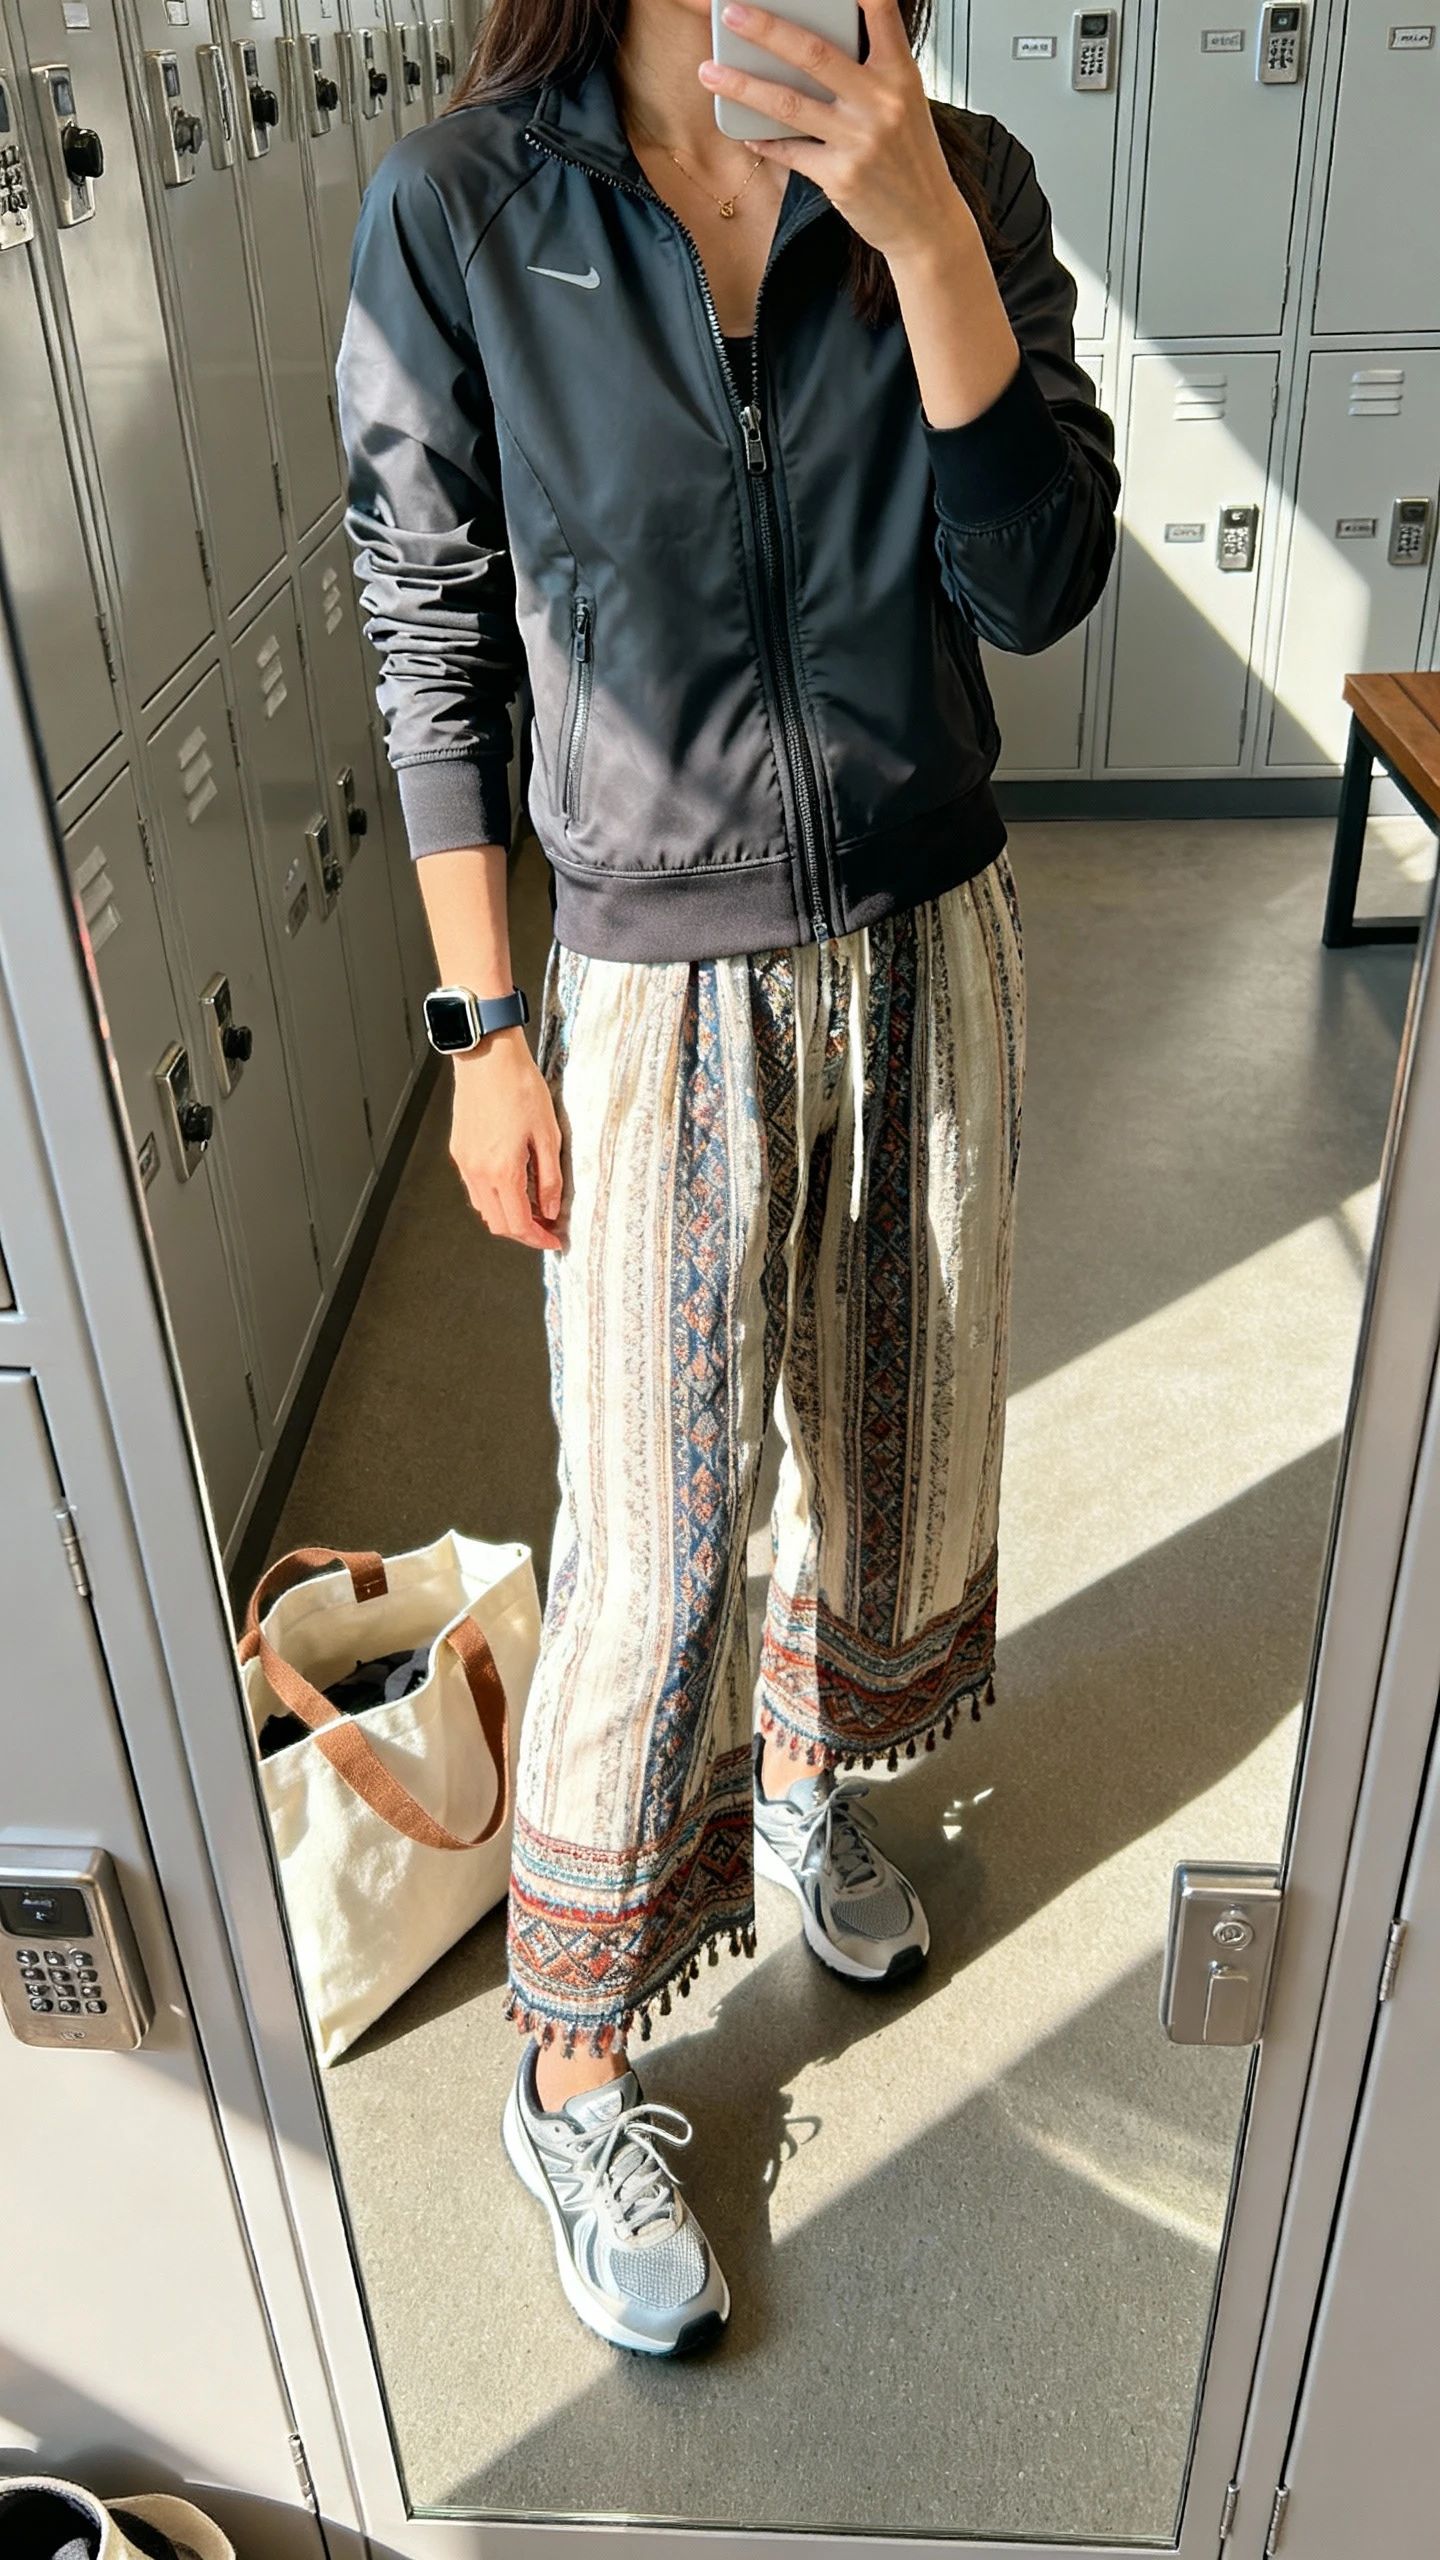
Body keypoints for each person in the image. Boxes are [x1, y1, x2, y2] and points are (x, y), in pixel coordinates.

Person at [339, 0, 1118, 2357]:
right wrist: (486, 1030)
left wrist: (917, 238)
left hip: (925, 933)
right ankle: (569, 2052)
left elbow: (1040, 581)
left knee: (885, 1464)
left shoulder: (959, 181)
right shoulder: (465, 208)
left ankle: (802, 1794)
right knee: (660, 1534)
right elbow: (429, 636)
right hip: (656, 981)